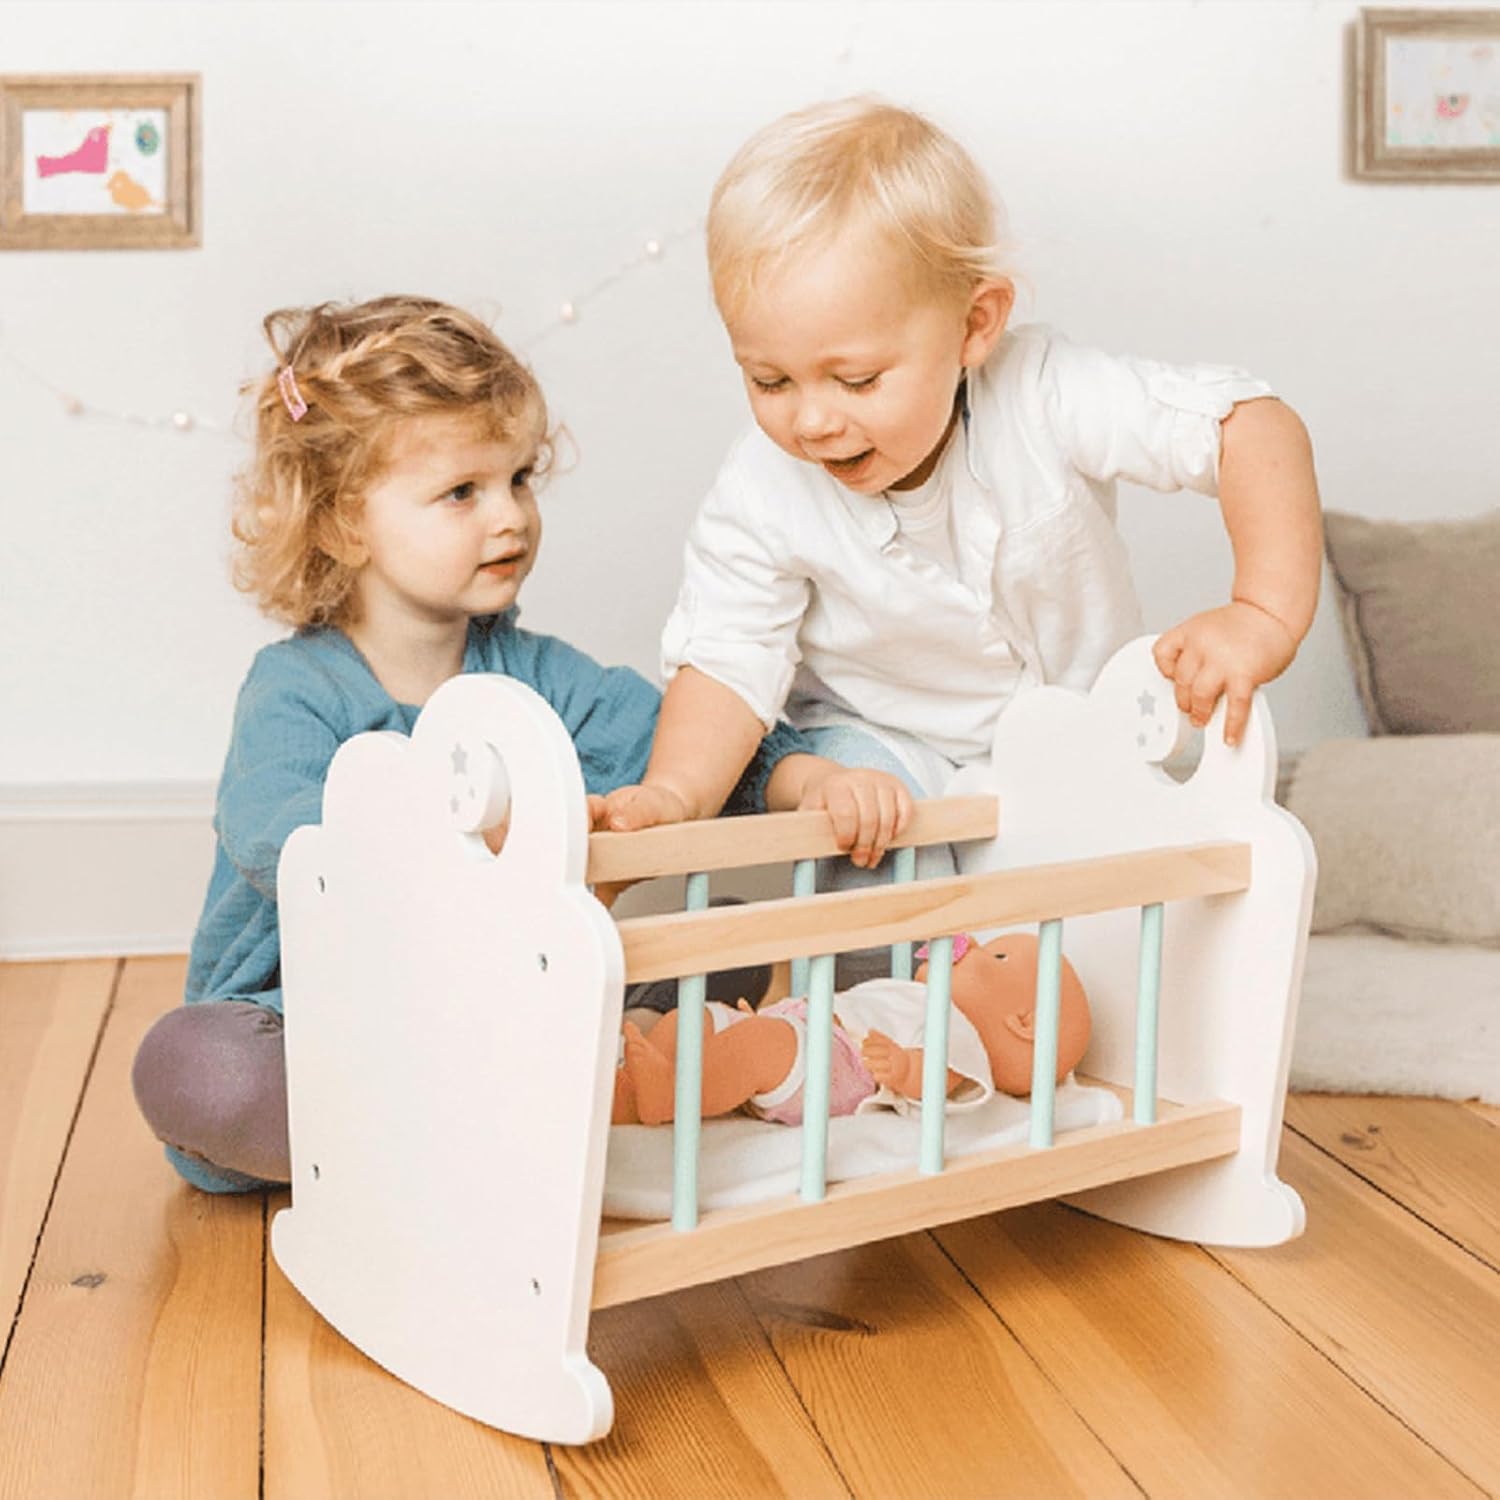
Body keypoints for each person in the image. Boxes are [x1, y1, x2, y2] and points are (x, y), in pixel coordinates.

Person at [131, 295, 909, 1193]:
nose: (510, 517)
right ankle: (508, 1102)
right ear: (345, 523)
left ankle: (543, 1084)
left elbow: (687, 743)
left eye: (520, 479)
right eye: (462, 492)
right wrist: (469, 841)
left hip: (503, 1012)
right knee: (195, 1065)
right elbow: (278, 829)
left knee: (723, 931)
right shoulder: (294, 688)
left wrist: (808, 780)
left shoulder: (539, 677)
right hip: (323, 1024)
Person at [597, 96, 1323, 851]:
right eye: (769, 381)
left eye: (855, 380)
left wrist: (1261, 614)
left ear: (975, 325)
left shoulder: (1045, 393)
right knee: (854, 810)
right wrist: (673, 795)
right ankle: (890, 923)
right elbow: (725, 660)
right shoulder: (760, 489)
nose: (810, 421)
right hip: (888, 750)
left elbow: (1250, 427)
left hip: (1083, 744)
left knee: (1142, 866)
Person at [610, 932, 1091, 1126]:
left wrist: (903, 1069)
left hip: (838, 1066)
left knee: (757, 1048)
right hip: (804, 1034)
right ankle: (634, 1092)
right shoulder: (918, 995)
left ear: (1023, 1023)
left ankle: (673, 1091)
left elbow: (941, 1076)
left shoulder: (961, 1032)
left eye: (998, 955)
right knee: (697, 1017)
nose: (975, 945)